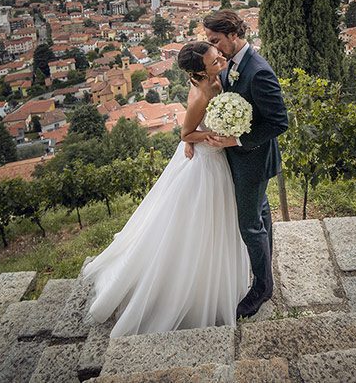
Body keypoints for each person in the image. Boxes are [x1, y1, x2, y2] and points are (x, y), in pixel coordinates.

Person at [80, 40, 250, 337]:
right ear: (199, 73)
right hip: (205, 166)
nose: (222, 62)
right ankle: (187, 294)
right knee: (196, 227)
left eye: (219, 57)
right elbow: (186, 132)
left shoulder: (216, 78)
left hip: (217, 161)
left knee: (219, 224)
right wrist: (209, 135)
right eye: (215, 62)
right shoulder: (199, 94)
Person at [202, 9, 289, 319]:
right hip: (241, 158)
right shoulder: (231, 63)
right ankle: (266, 271)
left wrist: (235, 141)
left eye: (215, 40)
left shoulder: (259, 71)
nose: (211, 47)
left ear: (233, 37)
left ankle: (262, 289)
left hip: (252, 159)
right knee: (261, 213)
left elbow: (279, 123)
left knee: (249, 225)